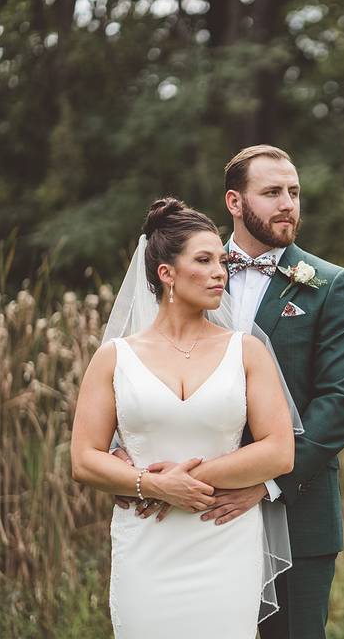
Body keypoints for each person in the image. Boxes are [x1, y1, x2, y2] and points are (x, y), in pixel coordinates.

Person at [128, 145, 344, 637]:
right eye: (272, 192)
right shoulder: (193, 275)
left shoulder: (330, 285)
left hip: (296, 510)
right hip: (190, 508)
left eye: (294, 193)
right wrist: (131, 451)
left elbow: (341, 403)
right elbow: (150, 368)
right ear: (234, 203)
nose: (288, 204)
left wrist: (266, 482)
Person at [70, 198, 297, 638]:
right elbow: (83, 459)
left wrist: (188, 482)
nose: (220, 271)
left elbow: (279, 450)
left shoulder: (246, 350)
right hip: (146, 543)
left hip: (224, 538)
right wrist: (152, 485)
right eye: (204, 260)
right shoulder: (115, 357)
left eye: (222, 261)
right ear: (166, 274)